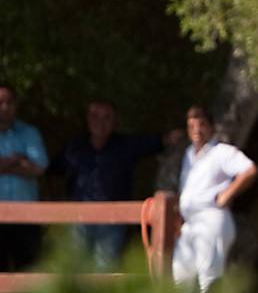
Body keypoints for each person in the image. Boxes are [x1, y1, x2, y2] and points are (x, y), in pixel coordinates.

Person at [54, 99, 181, 268]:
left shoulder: (125, 145)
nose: (100, 122)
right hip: (79, 219)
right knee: (74, 269)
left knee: (104, 270)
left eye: (107, 117)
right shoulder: (74, 147)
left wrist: (183, 133)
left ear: (114, 122)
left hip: (112, 220)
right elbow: (51, 171)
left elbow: (157, 141)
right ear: (88, 120)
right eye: (95, 116)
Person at [172, 105, 258, 291]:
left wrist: (228, 193)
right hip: (191, 223)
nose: (197, 130)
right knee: (180, 277)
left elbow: (249, 170)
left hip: (211, 219)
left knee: (208, 278)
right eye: (192, 126)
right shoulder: (189, 155)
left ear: (210, 127)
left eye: (201, 125)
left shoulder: (221, 152)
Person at [0, 82, 49, 271]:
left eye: (9, 102)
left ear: (15, 105)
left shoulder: (29, 133)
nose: (4, 107)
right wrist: (17, 158)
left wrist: (3, 165)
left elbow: (39, 168)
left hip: (26, 216)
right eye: (0, 102)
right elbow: (29, 167)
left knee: (28, 273)